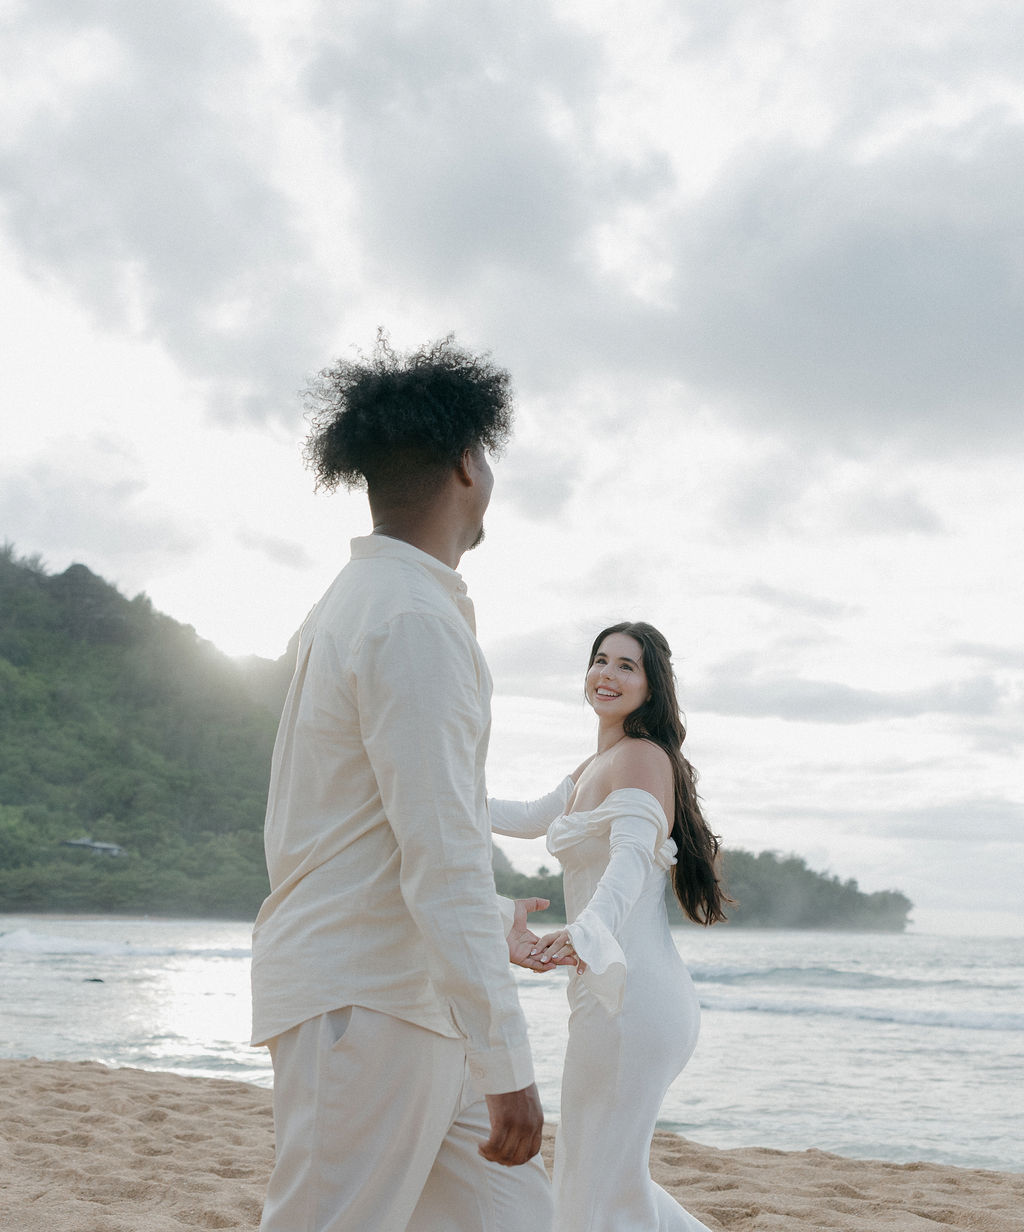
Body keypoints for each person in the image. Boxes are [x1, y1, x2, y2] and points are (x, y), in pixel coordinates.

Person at [251, 334, 560, 1232]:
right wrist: (509, 1061)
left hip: (411, 998)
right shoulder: (411, 619)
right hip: (368, 1002)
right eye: (488, 454)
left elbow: (394, 821)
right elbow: (442, 852)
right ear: (468, 461)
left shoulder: (360, 604)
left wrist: (486, 935)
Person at [491, 621, 729, 1232]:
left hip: (635, 995)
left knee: (598, 1177)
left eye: (629, 665)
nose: (609, 674)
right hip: (611, 992)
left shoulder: (644, 759)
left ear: (653, 685)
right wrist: (429, 789)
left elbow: (628, 861)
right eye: (601, 660)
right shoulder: (597, 763)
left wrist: (586, 929)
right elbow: (521, 817)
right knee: (597, 1171)